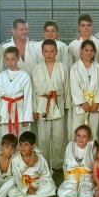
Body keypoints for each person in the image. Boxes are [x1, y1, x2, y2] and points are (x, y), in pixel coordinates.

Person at [32, 39, 71, 170]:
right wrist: (34, 109)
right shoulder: (37, 68)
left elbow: (67, 87)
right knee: (43, 138)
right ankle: (43, 164)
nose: (49, 54)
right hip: (42, 104)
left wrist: (67, 105)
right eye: (46, 51)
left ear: (56, 52)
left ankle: (57, 163)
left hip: (58, 103)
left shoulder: (62, 67)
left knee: (58, 137)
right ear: (42, 52)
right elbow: (32, 91)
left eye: (52, 51)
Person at [70, 40, 99, 141]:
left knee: (93, 131)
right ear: (81, 51)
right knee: (77, 130)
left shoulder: (98, 68)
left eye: (91, 51)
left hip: (94, 105)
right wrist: (82, 102)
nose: (88, 53)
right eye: (86, 50)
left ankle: (92, 154)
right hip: (80, 105)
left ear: (94, 52)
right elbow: (74, 86)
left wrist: (97, 102)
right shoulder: (75, 68)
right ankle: (77, 155)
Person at [55, 125, 96, 197]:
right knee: (65, 189)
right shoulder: (70, 145)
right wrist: (66, 176)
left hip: (86, 175)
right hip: (72, 174)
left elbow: (95, 164)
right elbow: (65, 164)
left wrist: (94, 178)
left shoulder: (92, 147)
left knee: (86, 189)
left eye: (84, 136)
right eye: (78, 135)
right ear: (75, 136)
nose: (81, 139)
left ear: (89, 138)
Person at [8, 131, 56, 197]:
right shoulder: (15, 159)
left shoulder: (39, 158)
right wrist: (26, 190)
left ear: (33, 146)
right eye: (20, 144)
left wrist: (37, 185)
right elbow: (17, 178)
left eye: (26, 145)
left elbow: (46, 176)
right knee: (11, 192)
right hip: (23, 185)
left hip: (38, 184)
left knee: (51, 187)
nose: (22, 147)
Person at [0, 47, 33, 137]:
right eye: (7, 59)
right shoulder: (1, 76)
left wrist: (26, 117)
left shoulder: (25, 75)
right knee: (7, 140)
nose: (10, 62)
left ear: (18, 59)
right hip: (5, 112)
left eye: (13, 59)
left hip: (20, 113)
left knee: (21, 139)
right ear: (4, 60)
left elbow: (28, 97)